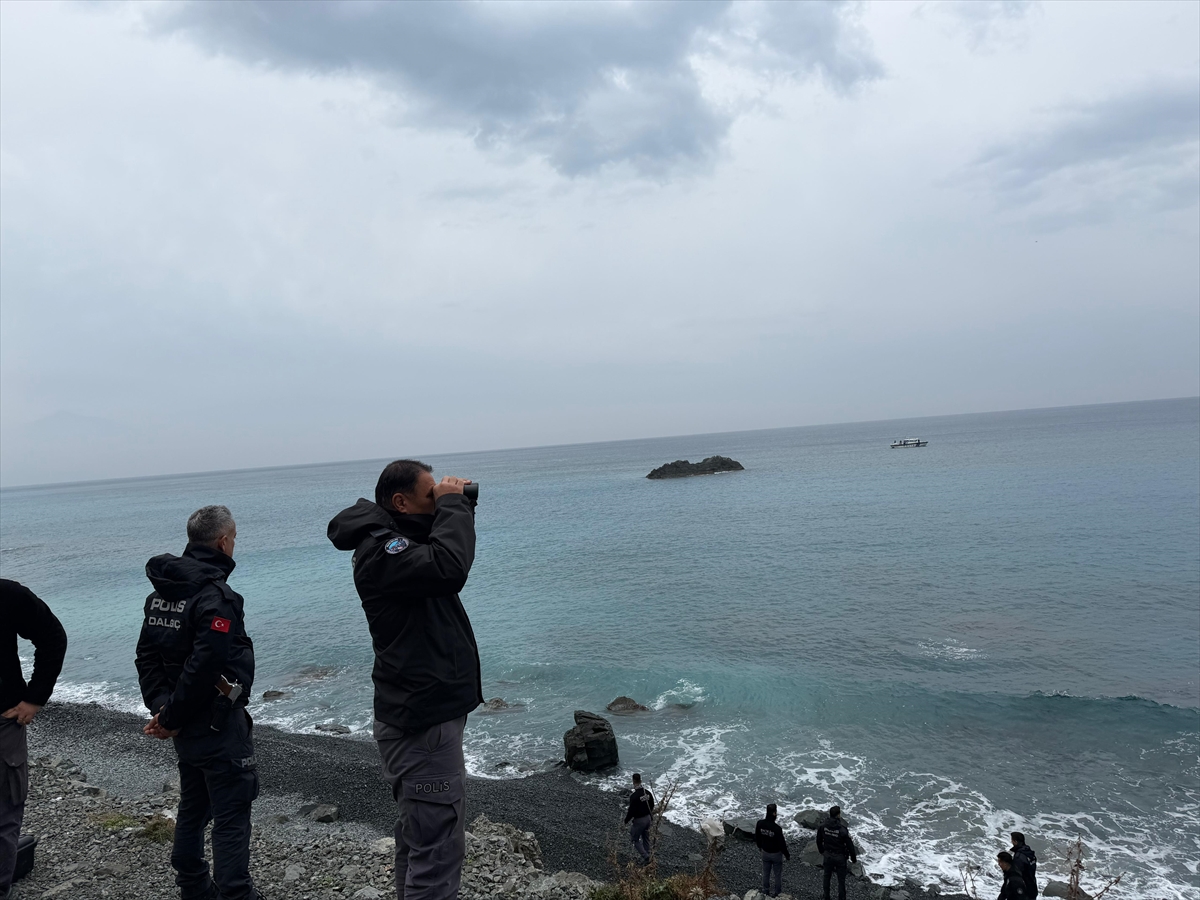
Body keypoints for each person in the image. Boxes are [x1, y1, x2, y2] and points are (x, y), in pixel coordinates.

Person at [327, 460, 482, 900]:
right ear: (400, 502)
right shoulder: (383, 552)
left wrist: (454, 508)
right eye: (430, 492)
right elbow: (450, 567)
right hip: (420, 723)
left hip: (422, 715)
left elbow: (442, 553)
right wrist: (452, 507)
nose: (439, 498)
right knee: (436, 852)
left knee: (420, 841)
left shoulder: (396, 543)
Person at [135, 505, 258, 900]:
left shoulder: (161, 594)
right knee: (231, 811)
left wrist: (163, 708)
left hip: (183, 722)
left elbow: (147, 657)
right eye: (234, 537)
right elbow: (205, 665)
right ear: (224, 541)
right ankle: (235, 893)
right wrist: (169, 714)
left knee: (195, 802)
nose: (234, 544)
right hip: (216, 722)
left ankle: (192, 884)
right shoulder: (217, 596)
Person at [1, 581, 67, 900]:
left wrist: (36, 697)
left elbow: (52, 636)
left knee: (4, 810)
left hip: (3, 721)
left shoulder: (7, 595)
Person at [816, 805, 858, 900]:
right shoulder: (842, 830)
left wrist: (822, 851)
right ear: (838, 815)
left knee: (827, 877)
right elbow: (850, 845)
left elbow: (818, 840)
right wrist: (853, 858)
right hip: (840, 857)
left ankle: (826, 896)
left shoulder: (823, 826)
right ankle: (841, 898)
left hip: (828, 855)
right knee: (841, 880)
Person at [754, 803, 790, 897]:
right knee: (777, 874)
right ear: (774, 813)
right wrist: (787, 855)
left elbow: (757, 837)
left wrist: (759, 847)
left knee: (766, 873)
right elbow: (782, 844)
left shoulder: (760, 823)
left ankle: (765, 891)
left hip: (765, 852)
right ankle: (777, 893)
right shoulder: (777, 829)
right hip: (776, 854)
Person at [623, 773, 655, 865]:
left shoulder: (634, 796)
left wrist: (626, 820)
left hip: (639, 820)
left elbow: (631, 811)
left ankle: (646, 857)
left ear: (633, 781)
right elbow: (652, 805)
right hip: (648, 818)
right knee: (646, 837)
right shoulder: (647, 793)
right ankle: (648, 855)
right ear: (640, 780)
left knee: (634, 839)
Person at [1010, 832, 1038, 898]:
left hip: (1023, 890)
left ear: (1015, 841)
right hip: (1033, 886)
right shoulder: (1030, 853)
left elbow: (1017, 875)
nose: (1011, 842)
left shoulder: (1019, 857)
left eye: (1012, 840)